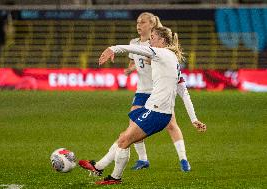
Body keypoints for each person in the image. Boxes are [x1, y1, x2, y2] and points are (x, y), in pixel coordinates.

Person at [79, 27, 207, 185]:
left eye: (153, 37)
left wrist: (112, 48)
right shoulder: (173, 59)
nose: (150, 41)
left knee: (124, 141)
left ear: (161, 40)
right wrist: (194, 119)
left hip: (157, 113)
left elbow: (136, 48)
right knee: (123, 137)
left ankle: (115, 178)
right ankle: (98, 167)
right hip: (154, 109)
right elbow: (184, 91)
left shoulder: (161, 53)